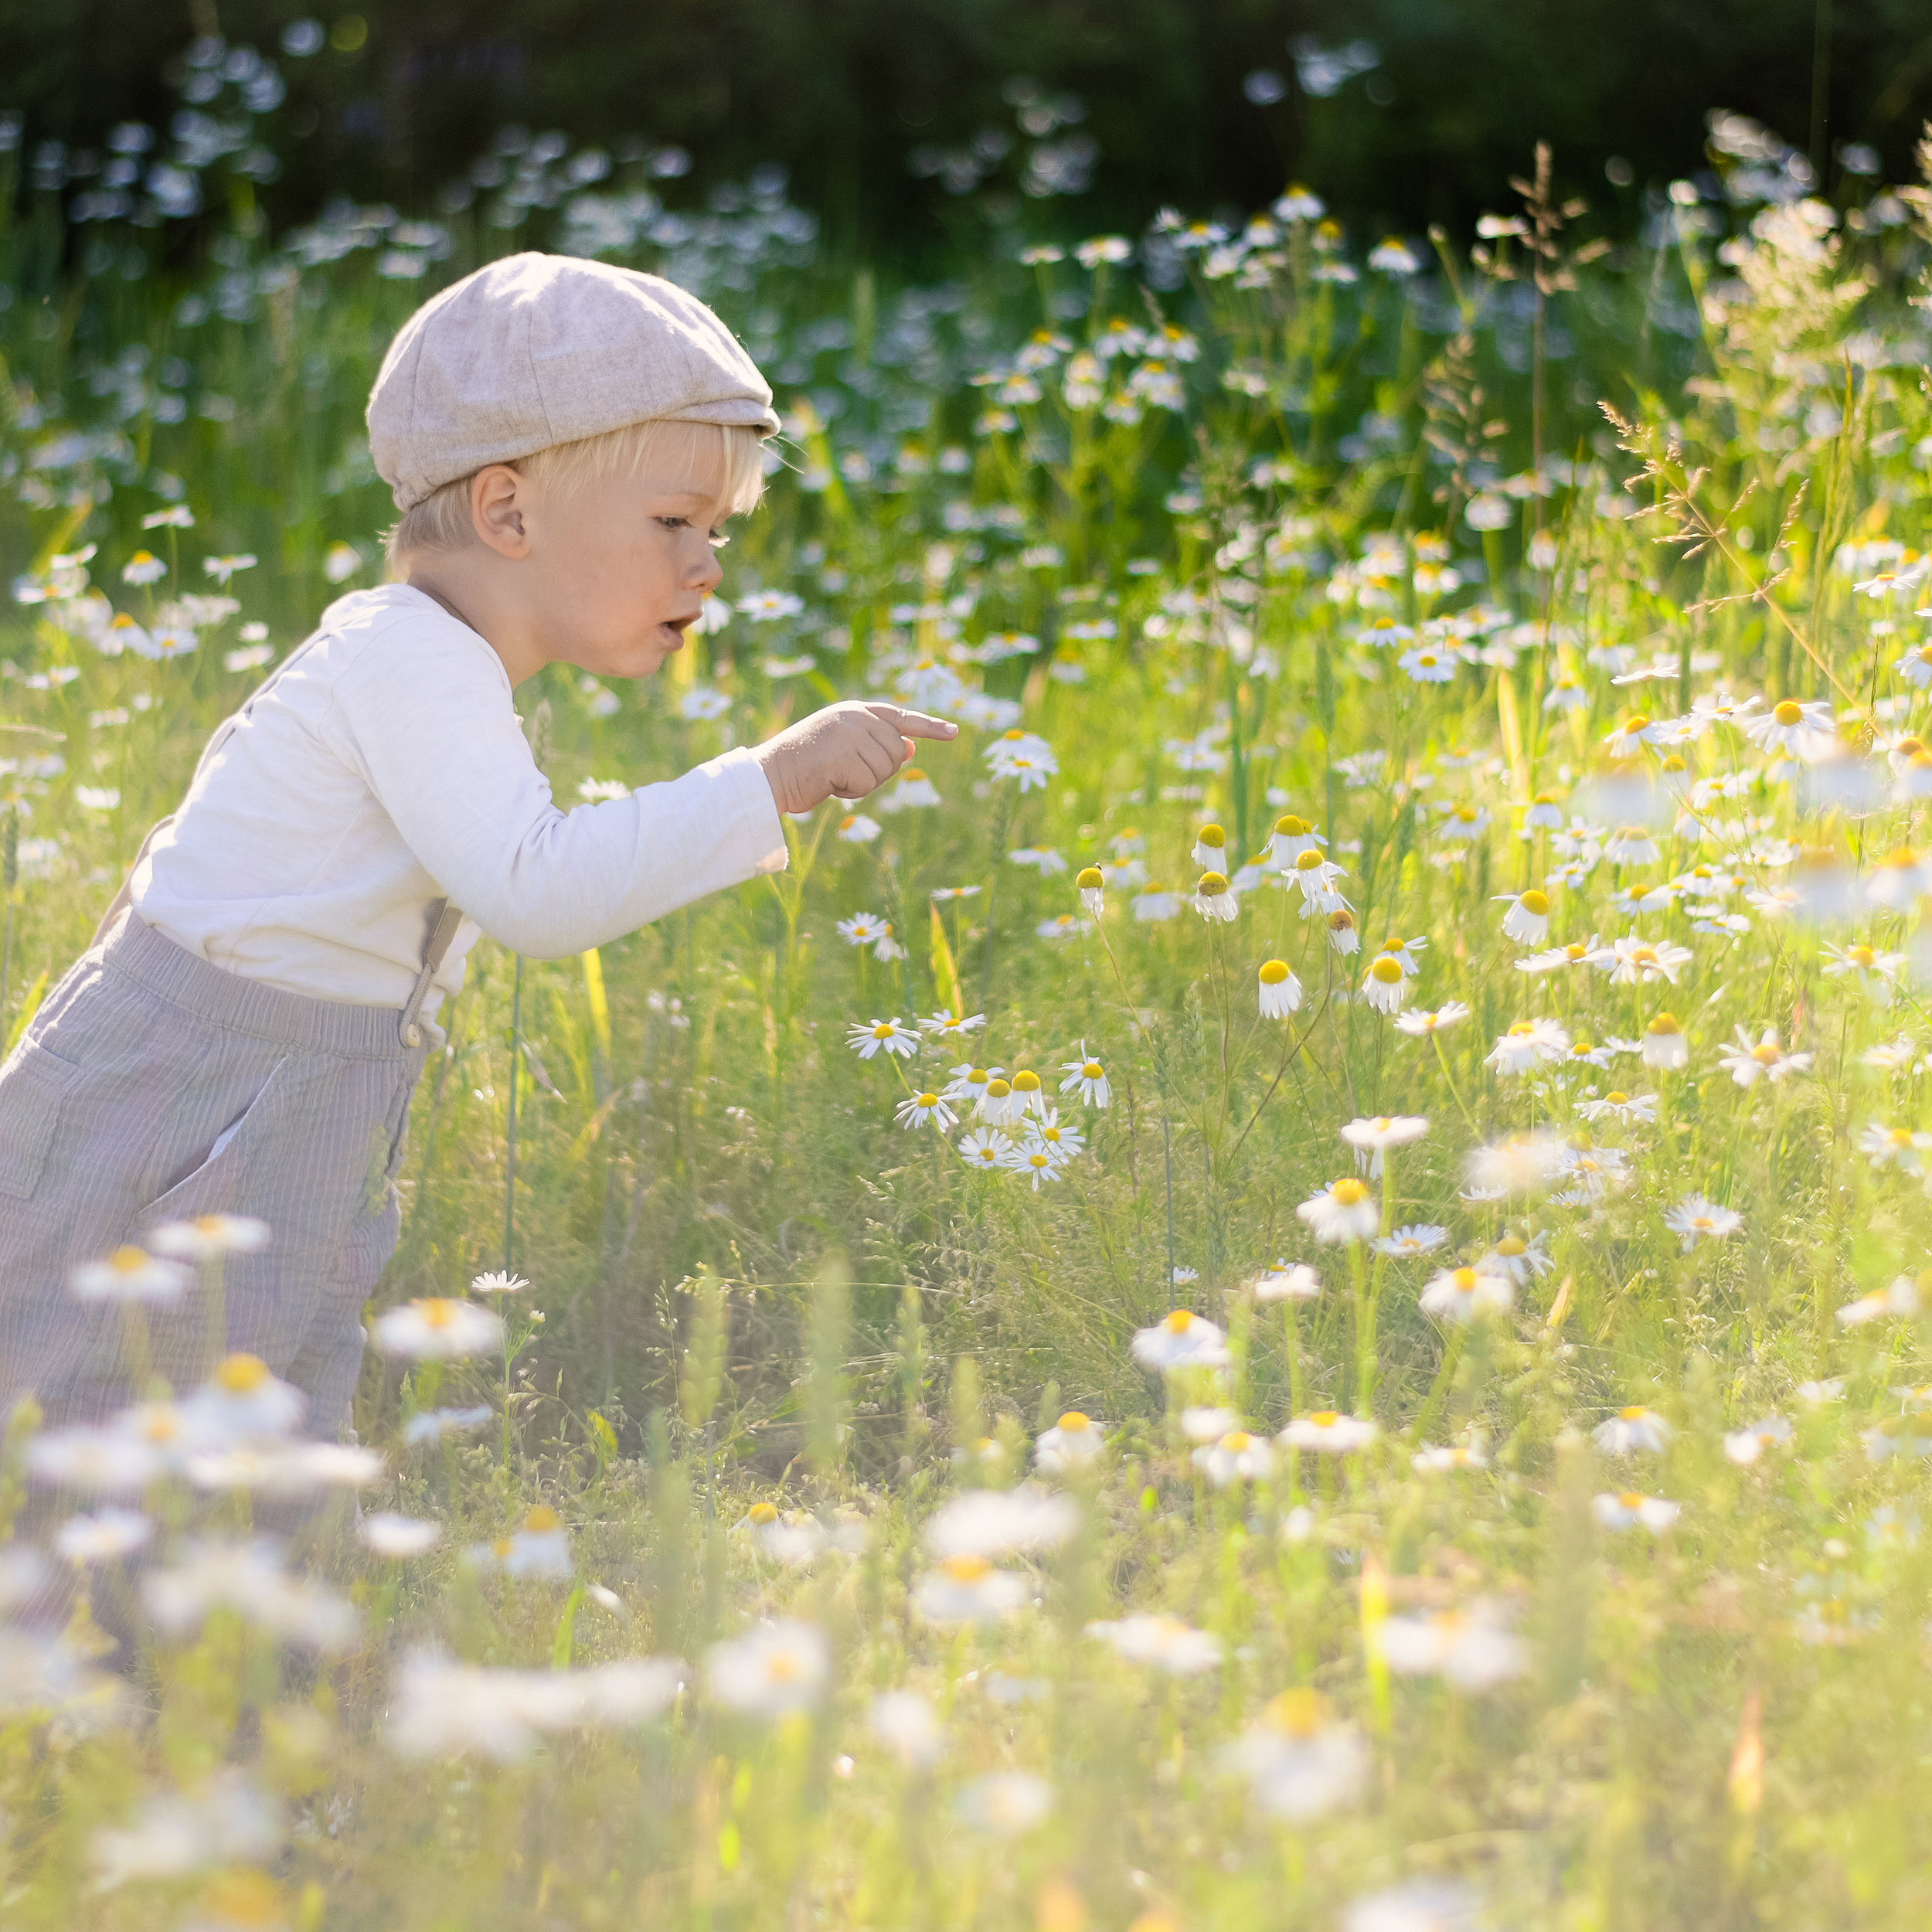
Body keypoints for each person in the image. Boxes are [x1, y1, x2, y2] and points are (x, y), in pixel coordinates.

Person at [0, 251, 954, 1445]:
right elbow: (537, 891)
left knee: (256, 1445)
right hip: (179, 1101)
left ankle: (257, 1631)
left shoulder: (444, 667)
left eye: (717, 529)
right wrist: (768, 780)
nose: (708, 564)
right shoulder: (406, 657)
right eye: (675, 521)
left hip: (300, 1104)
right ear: (507, 511)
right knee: (97, 1429)